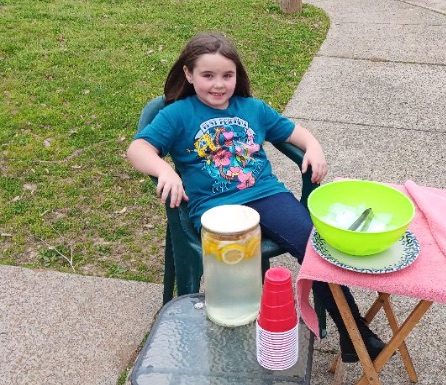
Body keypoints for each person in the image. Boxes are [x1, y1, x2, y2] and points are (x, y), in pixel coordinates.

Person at [127, 31, 385, 362]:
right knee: (234, 274)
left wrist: (315, 146)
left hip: (266, 195)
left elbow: (294, 132)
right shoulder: (178, 114)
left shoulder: (253, 109)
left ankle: (355, 336)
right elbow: (138, 148)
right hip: (216, 208)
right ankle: (232, 352)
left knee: (314, 245)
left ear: (237, 76)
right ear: (189, 75)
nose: (218, 85)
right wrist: (165, 170)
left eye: (227, 75)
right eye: (207, 76)